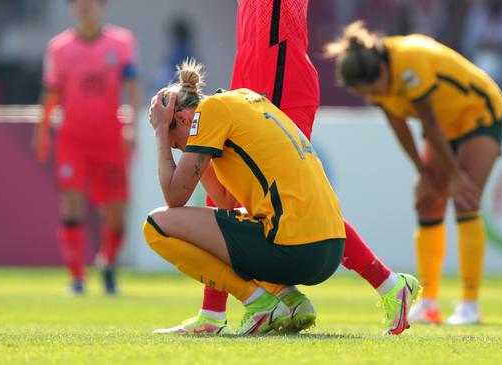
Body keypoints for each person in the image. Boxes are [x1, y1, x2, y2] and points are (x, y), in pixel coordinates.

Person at [153, 0, 420, 336]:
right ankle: (243, 306)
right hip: (258, 66)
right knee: (239, 195)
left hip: (277, 68)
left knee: (291, 200)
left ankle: (384, 285)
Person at [144, 59, 347, 335]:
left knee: (156, 225)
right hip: (330, 249)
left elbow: (174, 197)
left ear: (181, 120)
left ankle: (258, 303)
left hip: (294, 247)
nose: (181, 151)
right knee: (236, 223)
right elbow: (226, 202)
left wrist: (160, 134)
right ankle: (291, 299)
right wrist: (197, 146)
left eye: (177, 144)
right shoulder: (238, 99)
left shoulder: (210, 111)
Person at [326, 21, 502, 325]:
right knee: (427, 200)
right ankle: (429, 303)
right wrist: (423, 173)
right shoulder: (374, 78)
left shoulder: (410, 60)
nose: (376, 94)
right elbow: (400, 127)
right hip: (444, 126)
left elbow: (429, 124)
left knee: (465, 198)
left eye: (376, 88)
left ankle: (469, 304)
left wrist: (455, 177)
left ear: (383, 70)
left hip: (479, 113)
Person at [34, 0, 143, 295]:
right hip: (73, 140)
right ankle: (77, 278)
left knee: (117, 215)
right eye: (78, 3)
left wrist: (132, 124)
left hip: (110, 140)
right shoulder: (59, 48)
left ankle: (107, 262)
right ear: (71, 8)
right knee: (71, 203)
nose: (85, 8)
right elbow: (51, 92)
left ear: (102, 6)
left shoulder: (122, 43)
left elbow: (132, 86)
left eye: (91, 2)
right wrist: (42, 131)